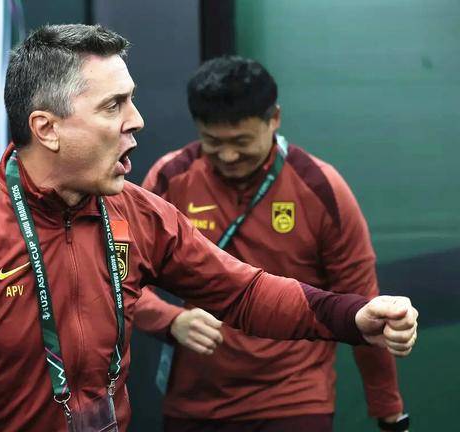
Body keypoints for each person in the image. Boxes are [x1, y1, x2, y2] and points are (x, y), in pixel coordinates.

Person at [0, 25, 417, 431]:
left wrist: (353, 318)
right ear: (47, 128)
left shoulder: (138, 212)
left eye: (131, 101)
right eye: (114, 106)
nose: (136, 121)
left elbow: (244, 292)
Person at [134, 56, 410, 432]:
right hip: (195, 403)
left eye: (241, 141)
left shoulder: (320, 187)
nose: (228, 155)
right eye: (213, 142)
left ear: (274, 118)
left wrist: (388, 409)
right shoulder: (170, 179)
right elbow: (120, 280)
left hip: (294, 399)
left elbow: (363, 302)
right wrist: (170, 320)